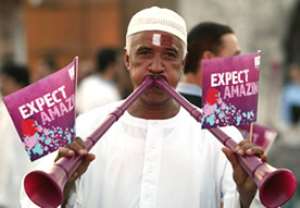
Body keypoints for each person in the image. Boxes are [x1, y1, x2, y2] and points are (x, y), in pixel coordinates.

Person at [21, 7, 265, 208]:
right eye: (145, 53)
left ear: (182, 63)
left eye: (169, 55)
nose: (156, 67)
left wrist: (247, 197)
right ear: (127, 60)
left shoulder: (220, 136)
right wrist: (64, 190)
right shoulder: (82, 129)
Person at [177, 22, 241, 107]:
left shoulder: (168, 103)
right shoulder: (212, 111)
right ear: (209, 58)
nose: (240, 66)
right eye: (234, 57)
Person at [0, 63, 31, 207]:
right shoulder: (3, 108)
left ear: (19, 82)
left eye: (6, 81)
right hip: (5, 184)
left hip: (23, 181)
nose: (2, 85)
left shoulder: (30, 110)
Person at [76, 48, 121, 113]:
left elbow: (77, 108)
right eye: (119, 63)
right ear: (111, 65)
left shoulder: (86, 83)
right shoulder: (112, 91)